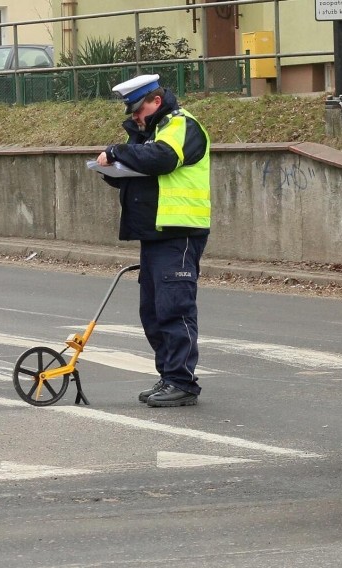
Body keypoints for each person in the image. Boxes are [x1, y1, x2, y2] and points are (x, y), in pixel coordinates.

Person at [95, 73, 211, 408]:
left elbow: (163, 160)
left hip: (180, 231)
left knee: (175, 308)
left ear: (156, 101)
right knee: (153, 312)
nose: (133, 117)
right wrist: (112, 168)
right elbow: (142, 175)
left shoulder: (181, 126)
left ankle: (181, 382)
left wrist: (119, 151)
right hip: (155, 231)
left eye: (137, 110)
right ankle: (169, 376)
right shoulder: (152, 133)